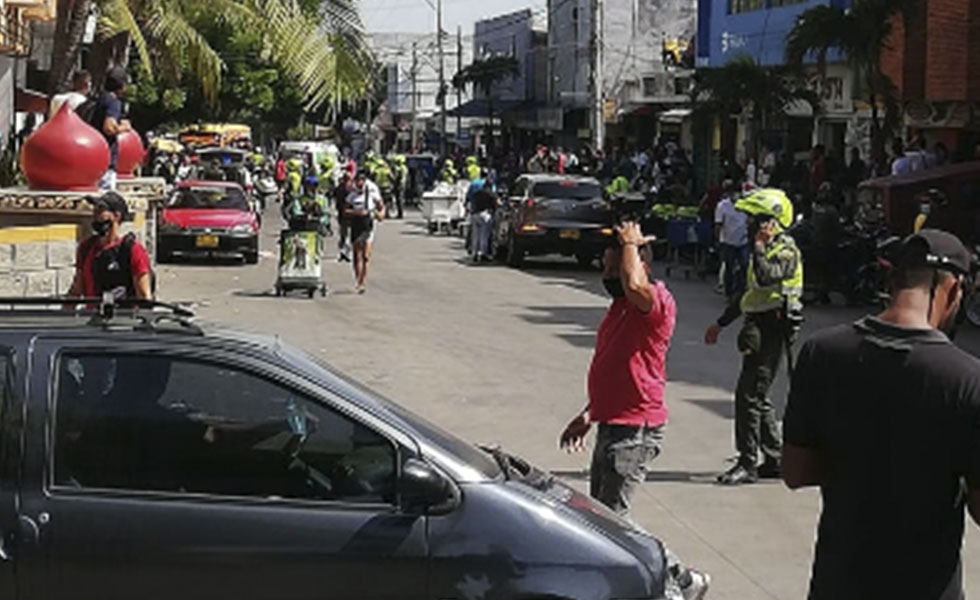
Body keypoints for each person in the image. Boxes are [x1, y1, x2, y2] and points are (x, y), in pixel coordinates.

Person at [782, 229, 980, 600]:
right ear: (954, 290)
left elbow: (795, 472)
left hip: (838, 584)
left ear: (893, 280)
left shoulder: (821, 353)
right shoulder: (968, 379)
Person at [559, 224, 710, 599]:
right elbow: (618, 369)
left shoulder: (655, 303)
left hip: (635, 430)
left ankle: (679, 579)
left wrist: (630, 244)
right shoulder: (620, 309)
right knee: (602, 515)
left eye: (616, 269)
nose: (608, 276)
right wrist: (590, 413)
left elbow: (634, 284)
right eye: (605, 268)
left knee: (614, 518)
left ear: (641, 265)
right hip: (612, 422)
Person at [704, 188, 803, 485]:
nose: (749, 225)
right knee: (758, 395)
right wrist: (721, 323)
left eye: (755, 220)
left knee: (748, 395)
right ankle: (774, 458)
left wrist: (759, 246)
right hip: (757, 325)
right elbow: (748, 293)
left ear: (771, 222)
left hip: (773, 327)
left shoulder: (785, 251)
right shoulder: (764, 248)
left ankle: (747, 462)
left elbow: (766, 276)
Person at [67, 192, 152, 300]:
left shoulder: (133, 250)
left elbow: (144, 296)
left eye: (101, 210)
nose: (95, 215)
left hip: (123, 311)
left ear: (116, 216)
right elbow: (76, 290)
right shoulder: (86, 247)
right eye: (94, 210)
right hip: (92, 310)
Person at [345, 171, 385, 294]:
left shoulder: (372, 193)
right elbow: (345, 211)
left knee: (365, 256)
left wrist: (380, 214)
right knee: (356, 255)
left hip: (368, 226)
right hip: (356, 226)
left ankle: (362, 282)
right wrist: (357, 213)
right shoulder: (352, 196)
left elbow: (381, 206)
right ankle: (358, 279)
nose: (360, 184)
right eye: (358, 182)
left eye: (362, 181)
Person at [93, 67, 132, 191]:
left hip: (93, 157)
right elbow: (109, 128)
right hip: (106, 160)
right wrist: (124, 127)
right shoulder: (113, 102)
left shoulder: (98, 98)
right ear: (122, 85)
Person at [715, 180, 749, 300]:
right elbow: (718, 224)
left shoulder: (746, 205)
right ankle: (729, 292)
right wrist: (717, 240)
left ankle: (742, 290)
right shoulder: (722, 206)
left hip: (743, 241)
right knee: (729, 267)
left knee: (744, 265)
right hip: (728, 241)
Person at [468, 170, 497, 263]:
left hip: (475, 214)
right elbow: (495, 205)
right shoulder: (491, 194)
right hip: (485, 215)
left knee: (475, 236)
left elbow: (470, 200)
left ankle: (475, 253)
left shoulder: (477, 193)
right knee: (484, 235)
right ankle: (482, 253)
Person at [334, 172, 353, 263]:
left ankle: (346, 252)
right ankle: (343, 252)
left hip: (349, 215)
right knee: (344, 234)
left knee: (347, 234)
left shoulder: (350, 189)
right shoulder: (348, 189)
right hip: (344, 215)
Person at [390, 154, 408, 219]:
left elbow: (397, 177)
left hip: (399, 184)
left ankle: (400, 213)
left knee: (399, 199)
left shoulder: (400, 168)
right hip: (402, 184)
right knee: (400, 199)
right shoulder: (404, 167)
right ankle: (400, 213)